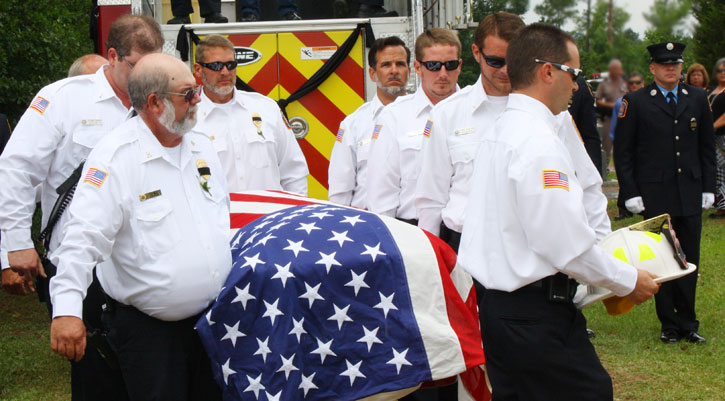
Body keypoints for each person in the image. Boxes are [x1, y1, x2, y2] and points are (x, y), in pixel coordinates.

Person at [459, 23, 659, 400]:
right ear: (548, 71)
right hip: (534, 316)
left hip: (505, 311)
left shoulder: (505, 130)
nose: (577, 86)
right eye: (574, 73)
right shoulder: (537, 143)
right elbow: (565, 246)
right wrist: (629, 280)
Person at [0, 14, 163, 400]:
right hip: (83, 264)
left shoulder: (161, 100)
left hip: (147, 263)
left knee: (153, 375)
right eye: (139, 66)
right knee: (96, 378)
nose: (148, 77)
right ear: (112, 56)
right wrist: (15, 243)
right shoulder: (63, 99)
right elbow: (17, 169)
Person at [50, 53, 230, 401]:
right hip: (151, 336)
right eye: (188, 94)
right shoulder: (116, 158)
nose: (198, 100)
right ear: (154, 103)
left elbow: (220, 219)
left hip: (211, 324)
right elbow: (83, 239)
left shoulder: (202, 146)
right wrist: (67, 311)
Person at [614, 42, 715, 344]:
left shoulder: (697, 97)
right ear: (653, 68)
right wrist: (630, 192)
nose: (671, 69)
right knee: (661, 260)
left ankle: (688, 323)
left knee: (689, 258)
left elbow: (706, 147)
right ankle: (668, 324)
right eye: (664, 64)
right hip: (655, 193)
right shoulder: (636, 101)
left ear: (682, 67)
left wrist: (709, 187)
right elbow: (624, 152)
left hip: (690, 191)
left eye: (676, 64)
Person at [415, 12, 524, 250]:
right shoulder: (447, 114)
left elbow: (585, 187)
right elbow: (431, 199)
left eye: (514, 60)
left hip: (527, 246)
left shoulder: (550, 114)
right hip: (465, 245)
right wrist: (430, 257)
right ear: (476, 52)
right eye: (495, 61)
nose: (506, 70)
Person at [366, 28, 461, 225]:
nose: (443, 74)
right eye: (434, 66)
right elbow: (381, 193)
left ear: (459, 66)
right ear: (418, 68)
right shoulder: (394, 117)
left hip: (466, 232)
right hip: (412, 230)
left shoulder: (476, 113)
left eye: (450, 65)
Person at [191, 34, 308, 194]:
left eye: (231, 65)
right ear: (198, 70)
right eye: (216, 66)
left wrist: (296, 208)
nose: (225, 72)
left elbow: (294, 171)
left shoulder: (266, 108)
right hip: (219, 211)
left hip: (267, 210)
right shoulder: (188, 118)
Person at [328, 36, 411, 208]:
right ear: (372, 74)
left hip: (413, 220)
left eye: (400, 64)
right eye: (386, 65)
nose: (394, 70)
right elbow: (340, 190)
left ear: (409, 71)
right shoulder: (353, 125)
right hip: (369, 218)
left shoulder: (428, 118)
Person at [611, 72, 644, 220]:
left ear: (643, 84)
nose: (634, 85)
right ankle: (623, 208)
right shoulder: (622, 102)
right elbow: (615, 126)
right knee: (626, 174)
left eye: (637, 82)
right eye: (632, 83)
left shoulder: (649, 101)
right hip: (628, 145)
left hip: (643, 145)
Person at [596, 59, 627, 172]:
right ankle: (604, 169)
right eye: (614, 69)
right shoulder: (604, 84)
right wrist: (611, 105)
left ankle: (623, 167)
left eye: (618, 69)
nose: (616, 71)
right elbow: (598, 100)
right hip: (609, 118)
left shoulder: (624, 83)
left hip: (623, 118)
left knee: (624, 144)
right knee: (607, 144)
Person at [708, 58, 725, 218]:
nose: (722, 73)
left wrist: (712, 126)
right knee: (718, 171)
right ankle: (721, 205)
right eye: (719, 70)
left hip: (723, 136)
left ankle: (723, 207)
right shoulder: (711, 90)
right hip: (712, 137)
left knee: (722, 169)